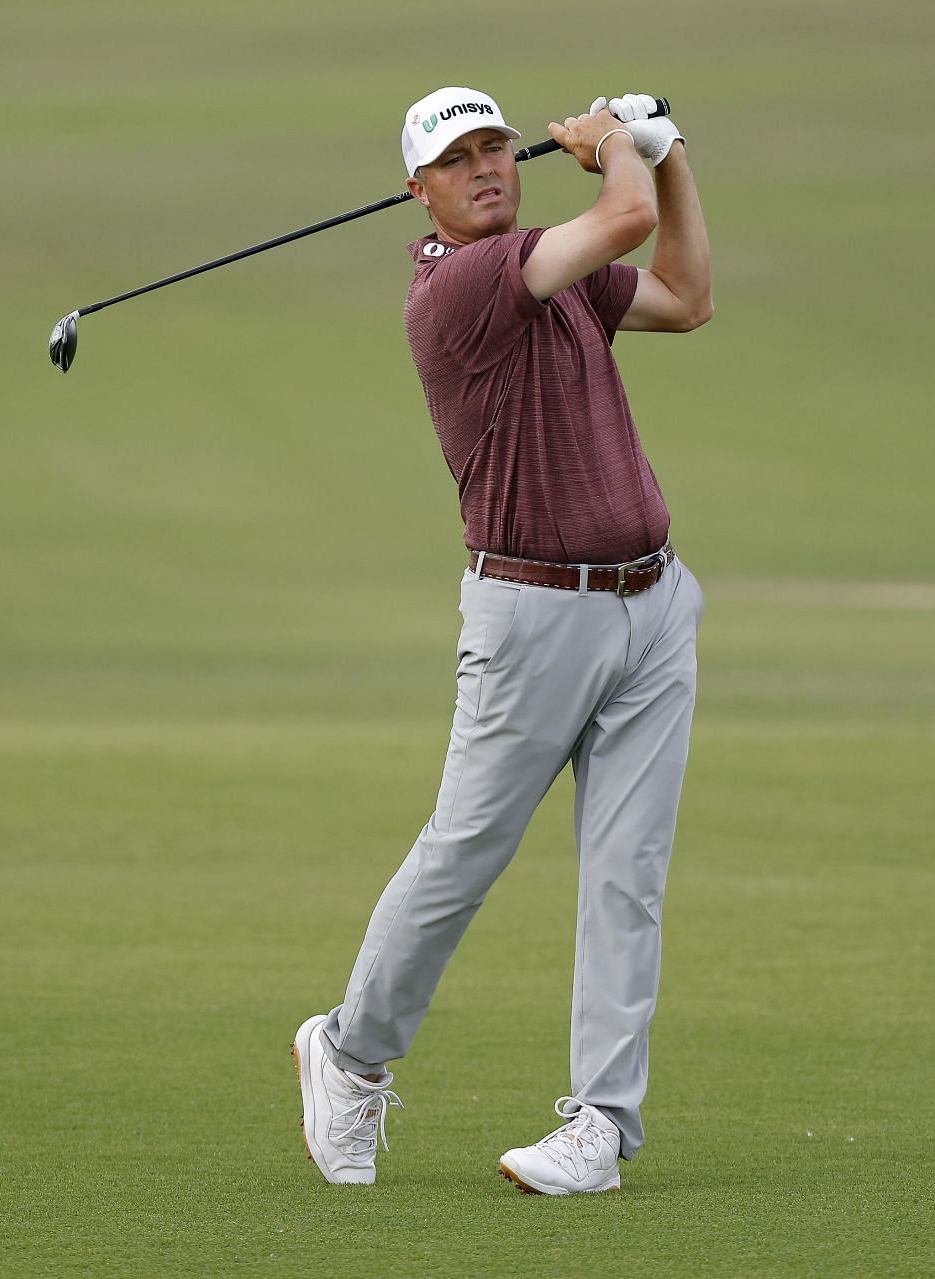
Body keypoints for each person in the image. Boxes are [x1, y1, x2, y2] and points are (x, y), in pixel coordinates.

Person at [292, 86, 712, 1195]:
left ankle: (600, 1131)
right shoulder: (466, 282)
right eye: (457, 157)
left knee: (629, 877)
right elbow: (618, 225)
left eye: (496, 146)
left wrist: (667, 161)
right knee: (465, 853)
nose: (486, 166)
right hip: (534, 616)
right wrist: (619, 146)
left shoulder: (549, 270)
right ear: (418, 193)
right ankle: (348, 1049)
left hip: (653, 604)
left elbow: (682, 294)